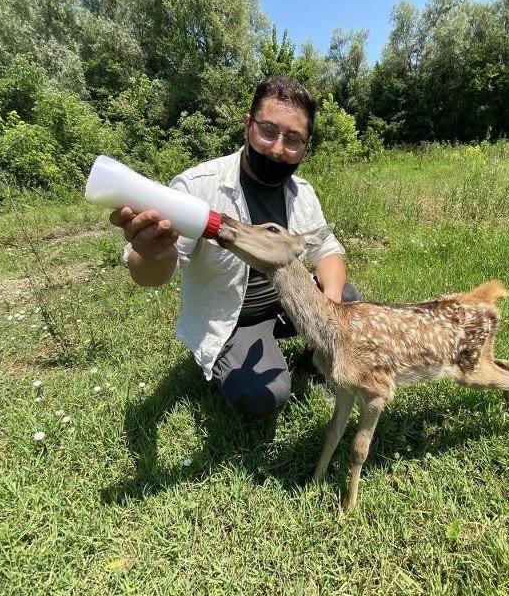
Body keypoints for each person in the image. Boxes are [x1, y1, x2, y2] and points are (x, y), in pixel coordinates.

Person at [109, 76, 359, 417]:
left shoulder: (301, 192)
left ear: (305, 146)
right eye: (268, 130)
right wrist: (153, 253)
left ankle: (310, 361)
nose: (276, 148)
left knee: (346, 297)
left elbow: (327, 248)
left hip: (289, 303)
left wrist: (326, 310)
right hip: (235, 318)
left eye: (293, 139)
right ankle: (231, 357)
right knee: (265, 396)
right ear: (247, 125)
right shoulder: (198, 188)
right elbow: (150, 275)